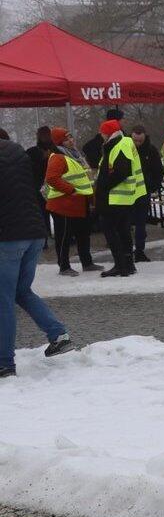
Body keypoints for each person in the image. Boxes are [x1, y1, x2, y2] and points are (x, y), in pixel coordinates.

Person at [1, 133, 77, 378]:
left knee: (3, 299)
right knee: (21, 291)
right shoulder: (18, 152)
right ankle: (58, 335)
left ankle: (4, 362)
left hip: (8, 237)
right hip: (34, 231)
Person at [42, 128, 97, 276]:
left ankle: (87, 263)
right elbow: (52, 178)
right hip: (63, 204)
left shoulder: (76, 155)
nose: (71, 141)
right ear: (59, 143)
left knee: (83, 234)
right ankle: (64, 266)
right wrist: (71, 190)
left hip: (78, 202)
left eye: (71, 137)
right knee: (64, 237)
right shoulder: (59, 157)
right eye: (66, 139)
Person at [94, 119, 141, 277]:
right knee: (123, 231)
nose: (101, 135)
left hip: (115, 198)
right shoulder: (121, 143)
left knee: (112, 232)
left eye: (102, 132)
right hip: (121, 197)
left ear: (108, 133)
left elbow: (121, 171)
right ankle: (127, 264)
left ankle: (121, 265)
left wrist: (104, 186)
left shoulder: (119, 145)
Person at [128, 125, 162, 263]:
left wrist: (153, 186)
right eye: (135, 140)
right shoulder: (126, 148)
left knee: (141, 223)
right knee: (127, 222)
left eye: (140, 141)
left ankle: (139, 250)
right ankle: (127, 250)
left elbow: (158, 170)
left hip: (143, 191)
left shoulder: (151, 150)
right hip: (127, 191)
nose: (137, 143)